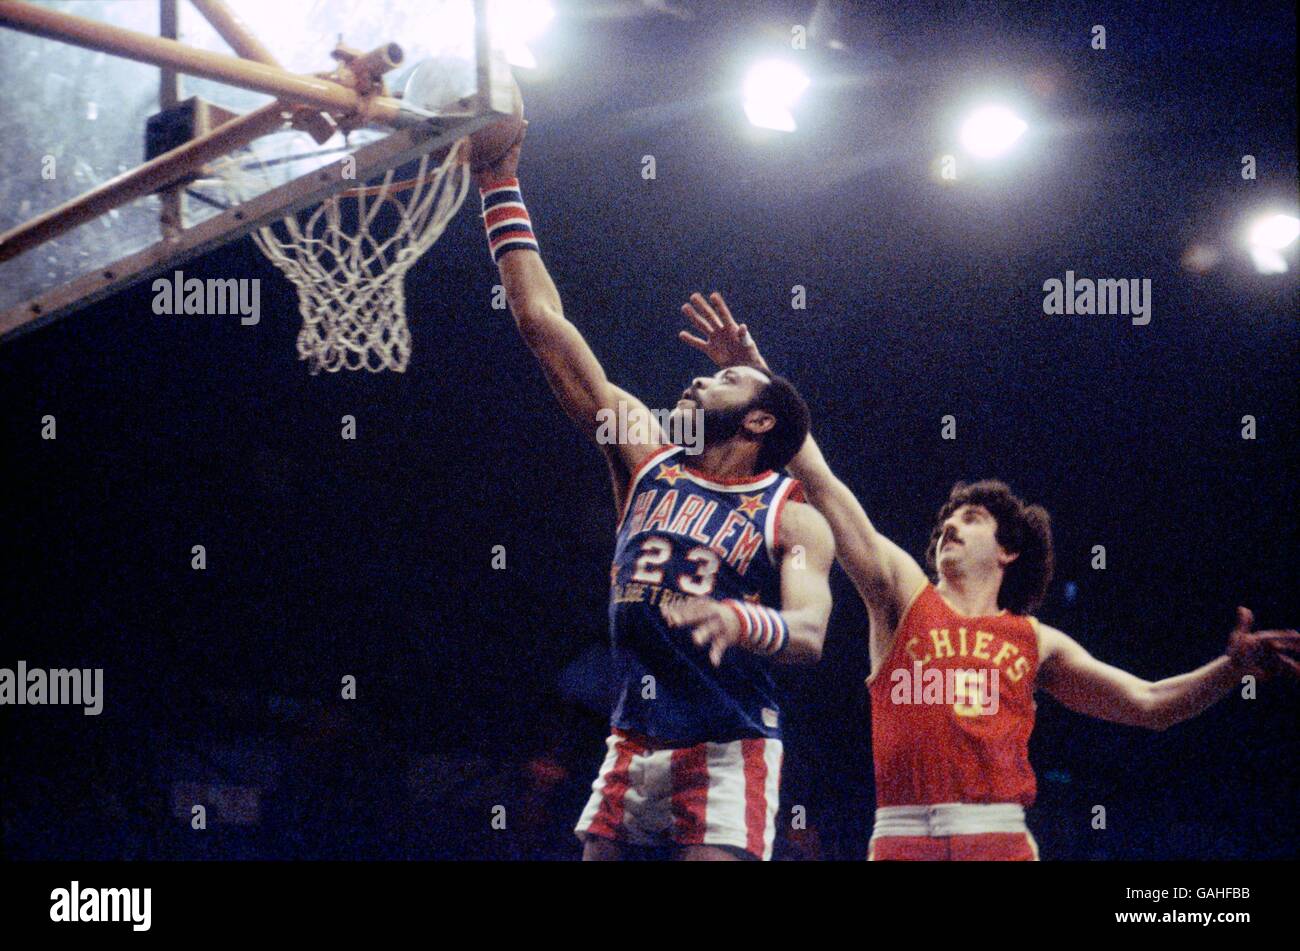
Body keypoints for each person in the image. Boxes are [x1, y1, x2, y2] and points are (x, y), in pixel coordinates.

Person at [677, 290, 1300, 860]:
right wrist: (760, 379)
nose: (949, 526)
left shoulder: (1038, 641)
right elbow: (823, 484)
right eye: (946, 519)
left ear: (1008, 551)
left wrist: (1232, 669)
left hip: (998, 839)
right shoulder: (901, 594)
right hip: (899, 837)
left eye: (969, 518)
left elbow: (1150, 704)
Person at [475, 136, 835, 860]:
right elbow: (545, 327)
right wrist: (498, 181)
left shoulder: (790, 511)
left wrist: (737, 617)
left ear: (760, 421)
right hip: (632, 737)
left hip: (729, 746)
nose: (699, 380)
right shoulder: (644, 452)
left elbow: (809, 632)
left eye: (726, 381)